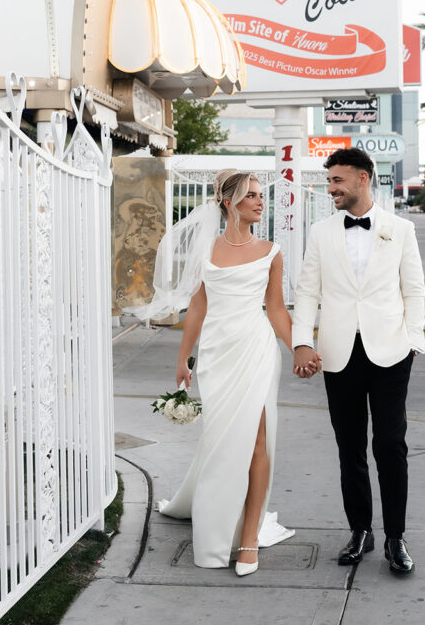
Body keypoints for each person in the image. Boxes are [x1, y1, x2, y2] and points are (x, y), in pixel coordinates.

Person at [157, 170, 304, 576]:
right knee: (221, 440)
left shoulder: (272, 251)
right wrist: (184, 358)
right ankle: (216, 522)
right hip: (218, 355)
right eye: (252, 196)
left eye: (261, 195)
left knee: (257, 441)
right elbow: (198, 308)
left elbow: (276, 309)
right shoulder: (207, 249)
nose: (261, 202)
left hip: (256, 349)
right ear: (229, 202)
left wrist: (301, 349)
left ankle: (249, 537)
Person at [292, 148, 425, 575]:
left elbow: (414, 289)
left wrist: (413, 342)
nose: (331, 188)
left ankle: (396, 537)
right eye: (329, 180)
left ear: (363, 179)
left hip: (390, 351)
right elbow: (308, 291)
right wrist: (301, 342)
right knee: (349, 446)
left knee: (390, 445)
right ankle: (360, 530)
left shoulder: (400, 229)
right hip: (338, 353)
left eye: (337, 181)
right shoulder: (320, 232)